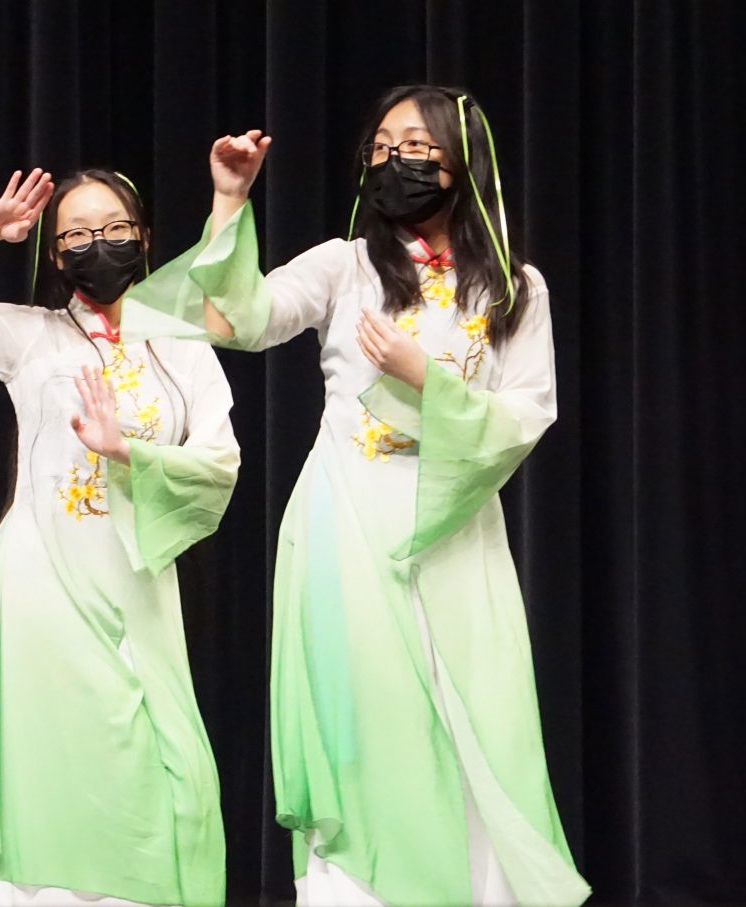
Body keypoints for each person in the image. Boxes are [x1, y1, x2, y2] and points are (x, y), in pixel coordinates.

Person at [127, 85, 590, 905]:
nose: (392, 160)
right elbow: (242, 319)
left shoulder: (515, 288)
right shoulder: (345, 265)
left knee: (471, 714)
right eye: (380, 147)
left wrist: (426, 382)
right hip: (345, 518)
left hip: (454, 530)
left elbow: (526, 416)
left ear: (461, 161)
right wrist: (230, 200)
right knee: (363, 717)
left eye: (414, 145)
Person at [0, 168, 240, 907]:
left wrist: (128, 452)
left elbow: (220, 463)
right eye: (75, 234)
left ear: (143, 236)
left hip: (138, 585)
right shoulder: (28, 336)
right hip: (41, 582)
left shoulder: (180, 344)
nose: (97, 244)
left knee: (165, 772)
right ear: (53, 253)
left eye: (114, 228)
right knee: (41, 762)